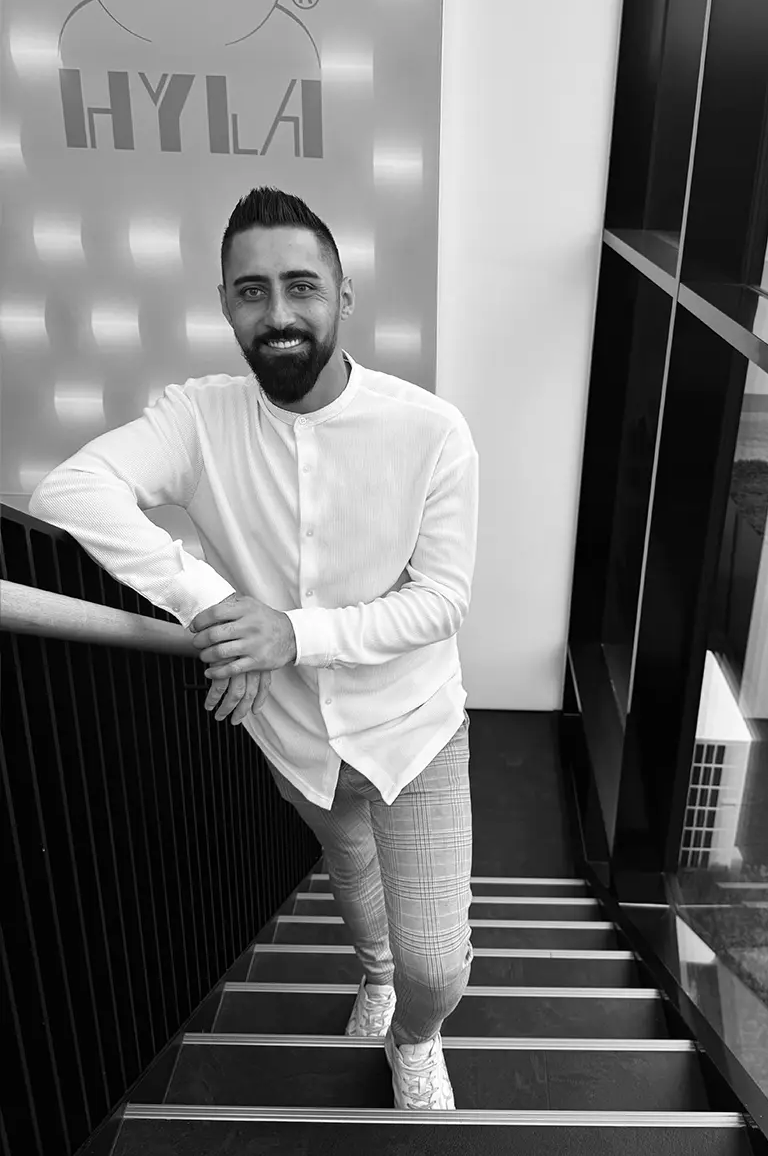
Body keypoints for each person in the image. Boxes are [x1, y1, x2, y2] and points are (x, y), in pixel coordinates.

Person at [28, 186, 479, 1111]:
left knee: (438, 962)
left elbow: (442, 601)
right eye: (251, 291)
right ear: (226, 304)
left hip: (414, 732)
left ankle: (416, 1031)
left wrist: (291, 632)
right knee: (351, 875)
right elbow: (69, 493)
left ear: (343, 294)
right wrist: (214, 602)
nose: (278, 313)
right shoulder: (199, 415)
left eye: (301, 286)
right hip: (294, 734)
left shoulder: (430, 430)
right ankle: (375, 978)